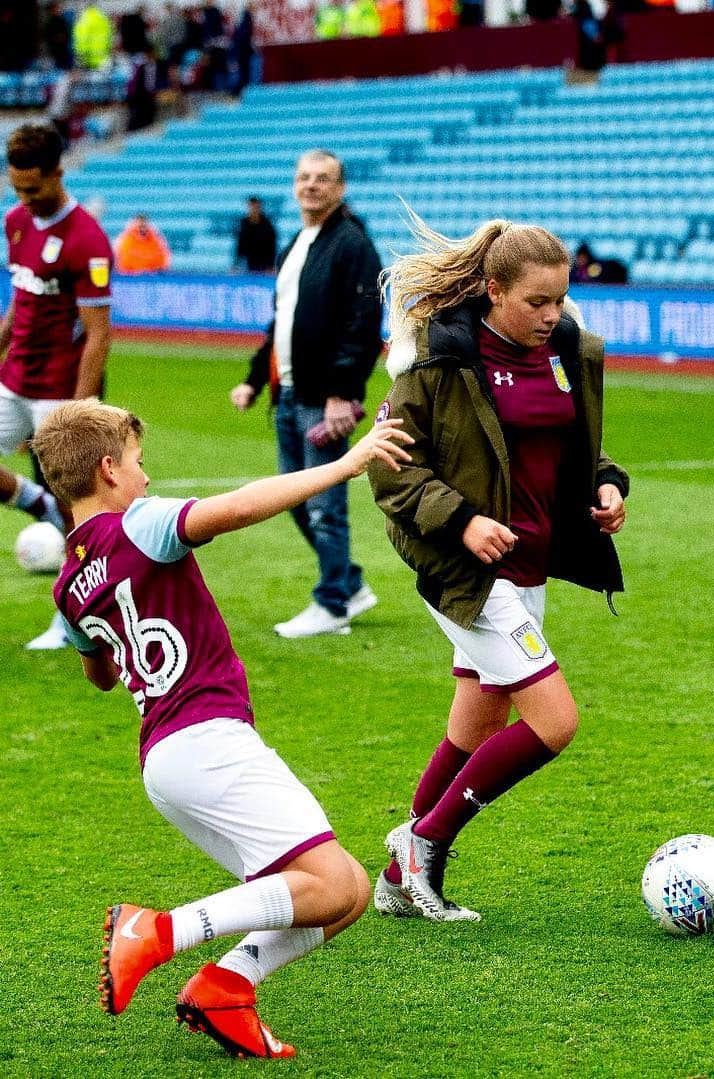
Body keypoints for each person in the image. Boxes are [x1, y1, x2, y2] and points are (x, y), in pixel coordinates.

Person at [31, 397, 412, 1059]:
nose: (147, 478)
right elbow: (235, 506)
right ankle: (155, 931)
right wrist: (346, 464)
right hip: (207, 737)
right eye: (139, 464)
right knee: (335, 884)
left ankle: (226, 987)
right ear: (107, 470)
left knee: (339, 890)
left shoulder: (67, 586)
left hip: (164, 760)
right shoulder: (141, 522)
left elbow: (99, 673)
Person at [369, 214, 629, 922]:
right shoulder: (439, 361)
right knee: (555, 721)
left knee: (477, 724)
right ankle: (425, 841)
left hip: (533, 565)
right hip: (469, 573)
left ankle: (397, 877)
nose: (552, 316)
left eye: (559, 300)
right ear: (492, 290)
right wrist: (464, 518)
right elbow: (391, 473)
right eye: (535, 302)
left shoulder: (568, 350)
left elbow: (574, 452)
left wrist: (606, 488)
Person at [230, 150, 384, 638]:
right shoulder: (295, 242)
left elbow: (362, 325)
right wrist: (256, 378)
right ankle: (350, 584)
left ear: (340, 189)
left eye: (323, 179)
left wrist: (344, 393)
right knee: (292, 496)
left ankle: (332, 604)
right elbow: (283, 322)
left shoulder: (353, 244)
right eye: (304, 177)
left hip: (322, 397)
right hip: (287, 390)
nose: (311, 186)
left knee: (323, 503)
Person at [1, 123, 112, 651]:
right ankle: (32, 499)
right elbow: (18, 305)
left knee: (78, 512)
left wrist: (78, 412)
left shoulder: (87, 240)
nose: (25, 200)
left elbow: (97, 335)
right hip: (14, 378)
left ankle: (71, 621)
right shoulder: (16, 222)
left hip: (56, 390)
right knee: (53, 504)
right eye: (17, 188)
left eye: (34, 190)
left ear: (58, 175)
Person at [235, 196, 277, 273]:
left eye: (256, 207)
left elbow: (272, 246)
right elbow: (240, 245)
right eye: (252, 206)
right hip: (249, 262)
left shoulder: (267, 224)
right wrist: (236, 264)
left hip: (265, 262)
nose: (254, 209)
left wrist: (272, 265)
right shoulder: (244, 223)